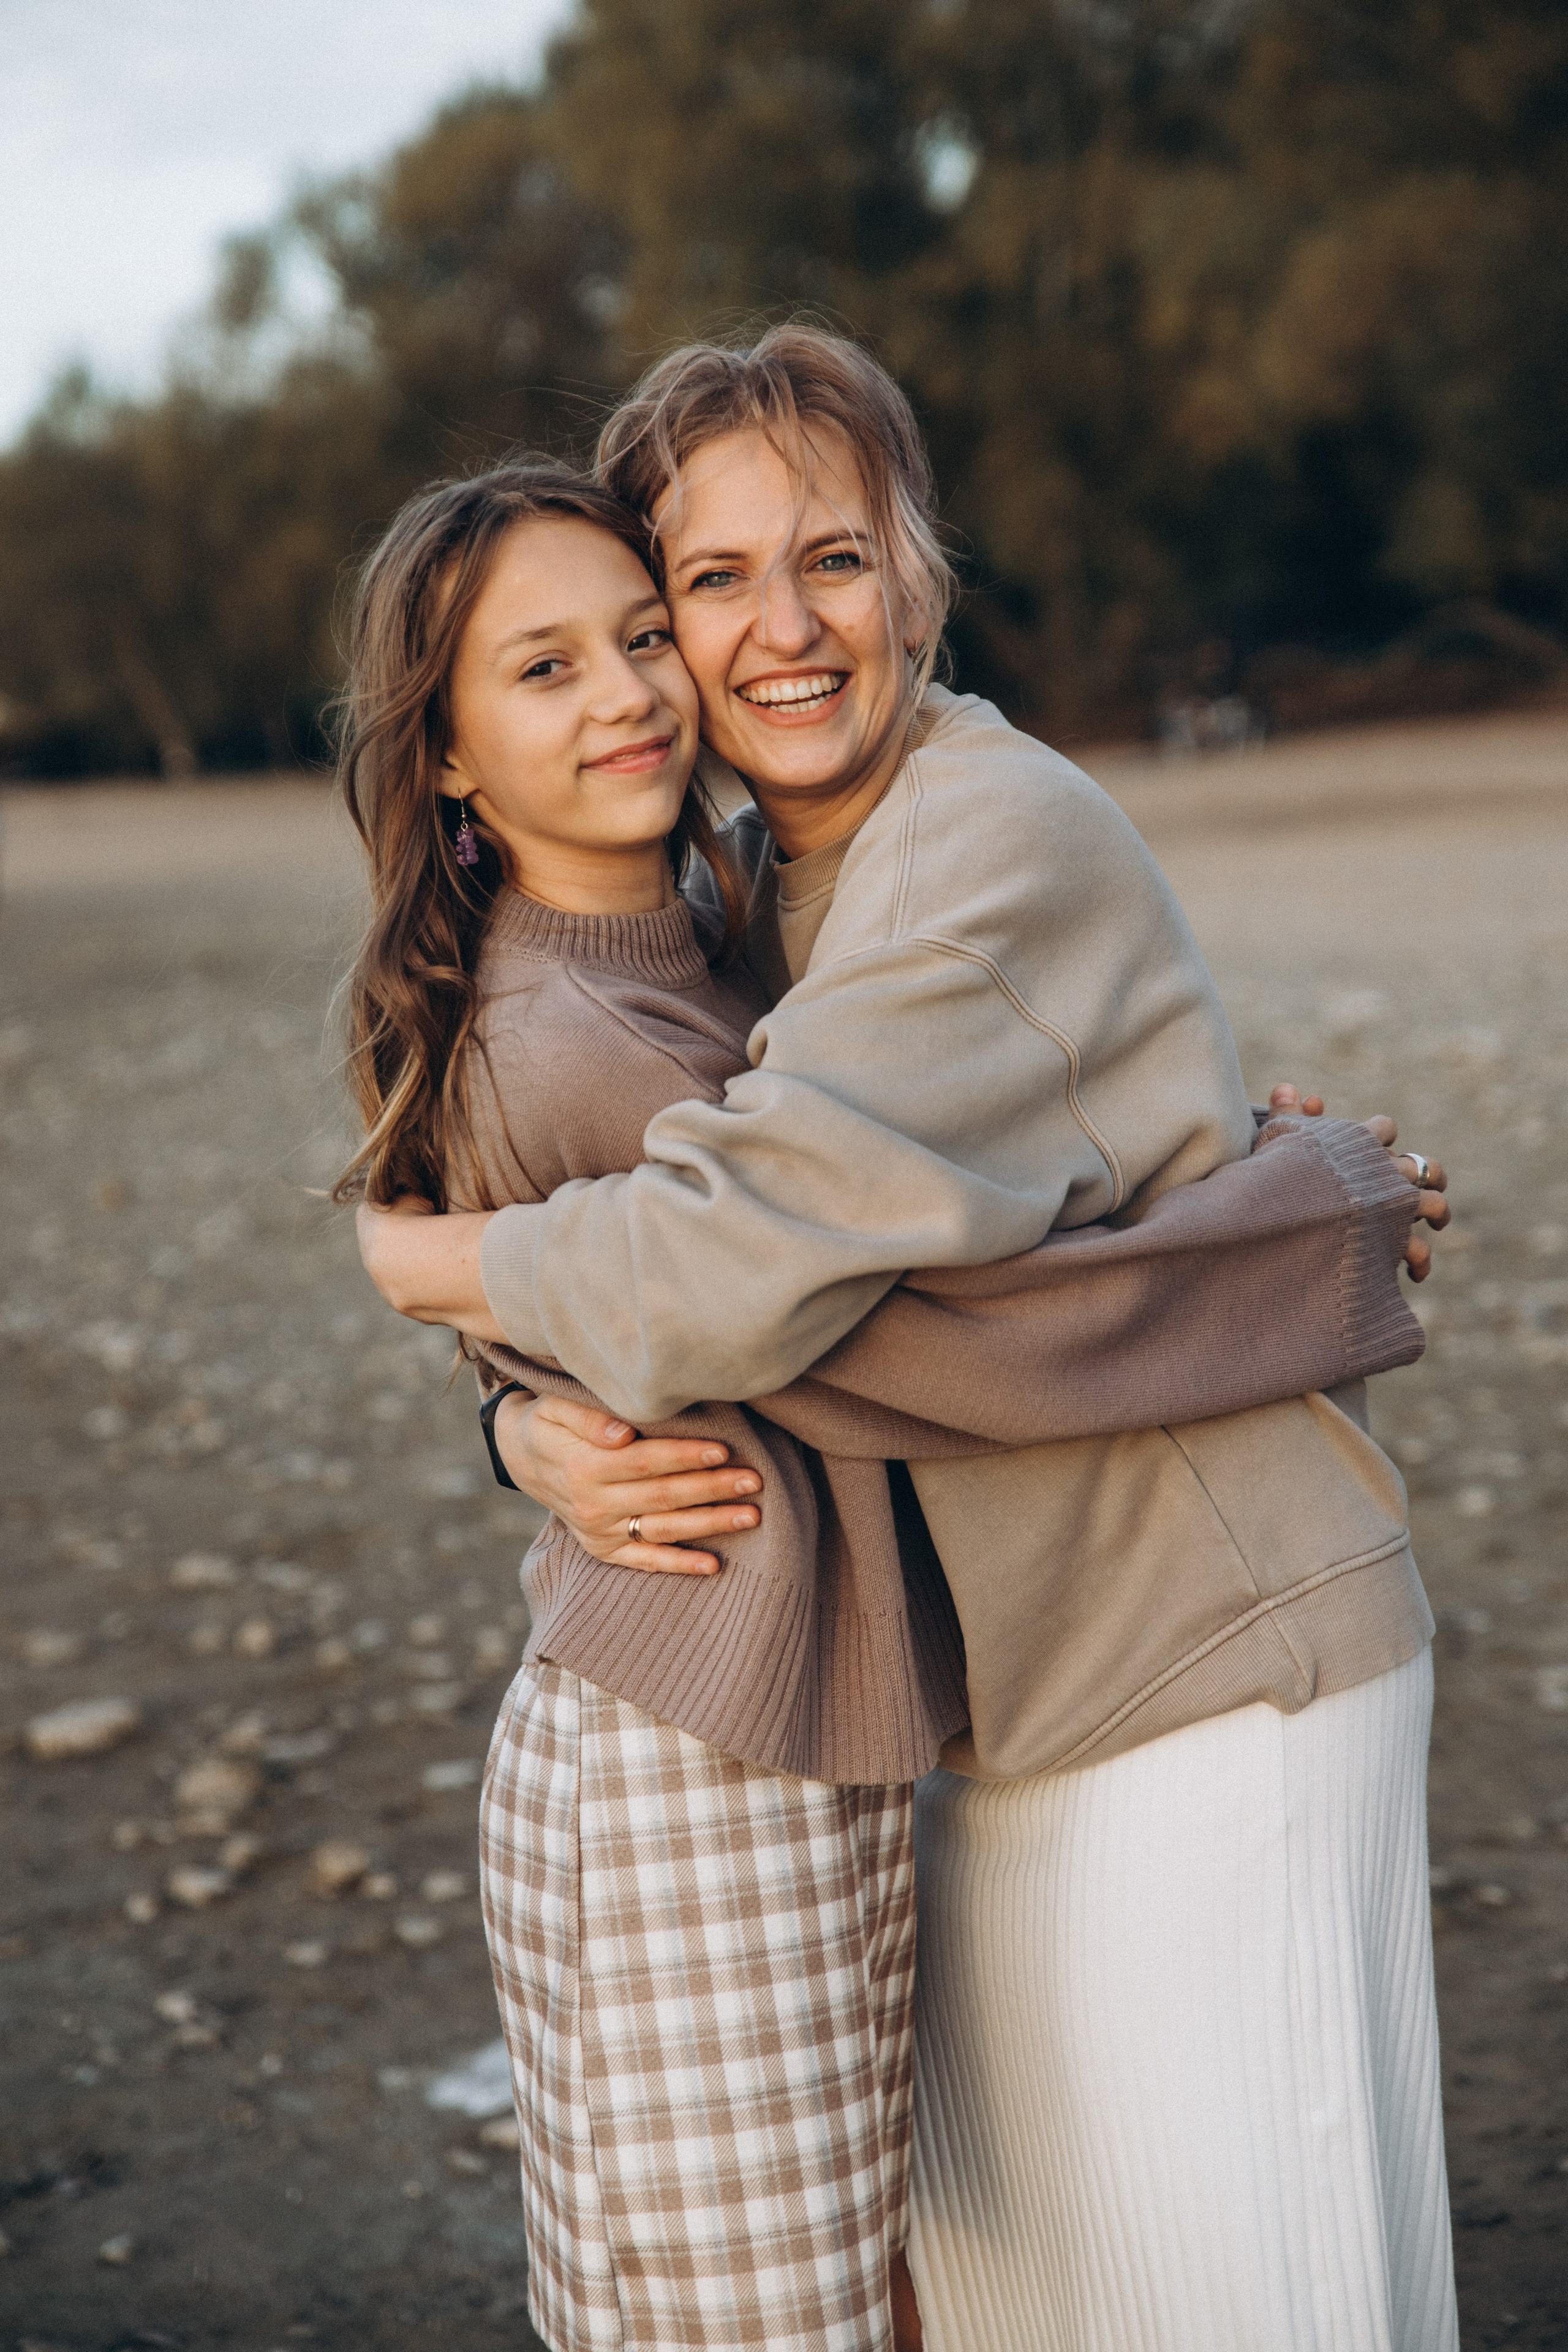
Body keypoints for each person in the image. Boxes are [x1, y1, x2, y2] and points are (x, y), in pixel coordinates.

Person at [357, 330, 1457, 2352]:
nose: (779, 628)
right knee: (1053, 2295)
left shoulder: (970, 838)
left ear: (922, 573)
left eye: (837, 559)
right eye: (713, 580)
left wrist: (440, 1271)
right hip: (1016, 1690)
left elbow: (768, 1275)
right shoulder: (758, 881)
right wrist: (520, 1420)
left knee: (1248, 2296)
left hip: (1209, 1641)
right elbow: (788, 1282)